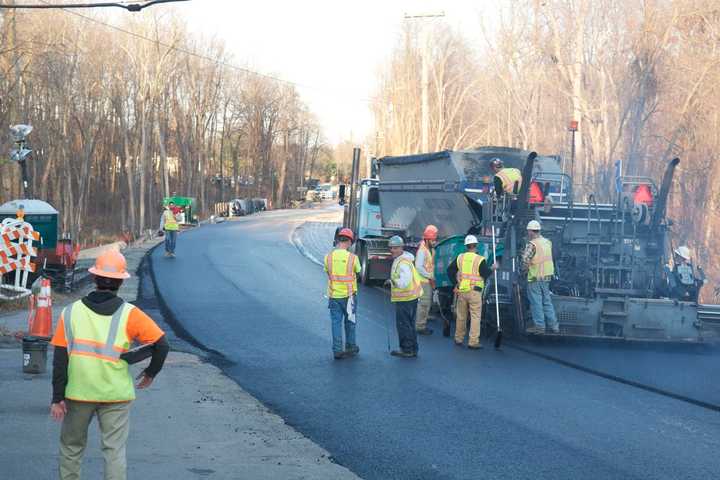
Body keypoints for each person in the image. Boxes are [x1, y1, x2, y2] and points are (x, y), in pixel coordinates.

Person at [50, 250, 169, 480]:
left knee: (71, 449)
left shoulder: (70, 312)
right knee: (114, 451)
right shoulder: (130, 314)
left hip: (79, 394)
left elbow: (60, 360)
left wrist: (57, 398)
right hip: (116, 395)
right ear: (120, 281)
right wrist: (150, 373)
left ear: (94, 278)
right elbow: (161, 345)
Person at [446, 235, 493, 349]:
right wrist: (493, 268)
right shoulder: (480, 260)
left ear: (466, 246)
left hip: (462, 291)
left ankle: (458, 338)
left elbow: (450, 270)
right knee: (475, 316)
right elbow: (485, 273)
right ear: (476, 246)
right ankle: (473, 341)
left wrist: (455, 283)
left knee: (461, 316)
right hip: (475, 292)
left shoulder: (460, 257)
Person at [323, 228, 361, 360]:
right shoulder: (353, 258)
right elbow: (358, 271)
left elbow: (328, 272)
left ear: (338, 239)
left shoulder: (328, 257)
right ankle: (350, 346)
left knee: (336, 323)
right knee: (350, 322)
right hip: (350, 297)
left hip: (334, 296)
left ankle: (337, 350)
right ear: (349, 241)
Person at [521, 220, 559, 334]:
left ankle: (540, 327)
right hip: (546, 278)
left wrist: (523, 271)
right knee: (547, 302)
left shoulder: (532, 244)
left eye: (528, 231)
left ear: (532, 232)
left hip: (535, 278)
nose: (528, 233)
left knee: (536, 302)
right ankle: (554, 326)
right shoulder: (548, 242)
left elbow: (525, 261)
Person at [388, 235, 423, 358]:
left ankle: (407, 349)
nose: (392, 250)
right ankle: (413, 348)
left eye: (395, 248)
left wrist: (393, 281)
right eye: (391, 248)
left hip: (406, 298)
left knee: (404, 324)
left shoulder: (403, 263)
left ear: (401, 248)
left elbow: (404, 282)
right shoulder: (404, 259)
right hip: (410, 298)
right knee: (409, 324)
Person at [415, 224, 438, 335]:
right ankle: (420, 326)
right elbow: (418, 267)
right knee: (423, 304)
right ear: (427, 239)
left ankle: (422, 323)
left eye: (435, 240)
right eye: (433, 240)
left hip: (428, 281)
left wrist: (432, 280)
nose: (434, 242)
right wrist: (429, 276)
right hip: (423, 281)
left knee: (426, 304)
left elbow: (430, 266)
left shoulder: (431, 250)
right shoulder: (422, 251)